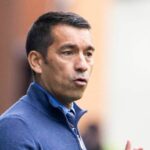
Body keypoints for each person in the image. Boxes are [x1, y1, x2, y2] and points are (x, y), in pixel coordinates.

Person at [0, 12, 142, 150]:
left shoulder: (67, 120)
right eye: (68, 52)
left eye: (88, 54)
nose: (82, 65)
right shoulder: (16, 127)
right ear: (37, 61)